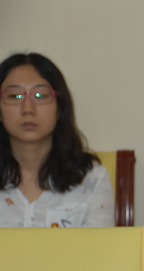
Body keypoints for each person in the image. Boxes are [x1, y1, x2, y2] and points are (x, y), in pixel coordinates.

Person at [0, 53, 113, 228]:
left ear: (60, 107)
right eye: (15, 96)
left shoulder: (91, 180)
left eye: (40, 96)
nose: (28, 109)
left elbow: (99, 246)